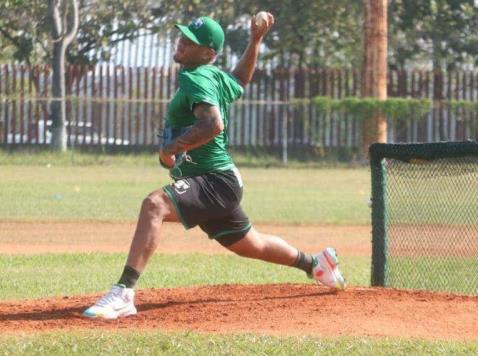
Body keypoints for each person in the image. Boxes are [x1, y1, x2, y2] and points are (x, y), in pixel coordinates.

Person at [83, 14, 345, 319]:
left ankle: (124, 292)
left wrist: (171, 147)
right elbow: (241, 79)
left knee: (154, 205)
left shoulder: (195, 77)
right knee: (252, 244)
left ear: (208, 53)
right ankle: (315, 263)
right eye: (182, 36)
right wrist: (255, 40)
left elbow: (213, 124)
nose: (181, 42)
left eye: (190, 41)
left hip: (213, 180)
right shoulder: (214, 76)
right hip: (220, 181)